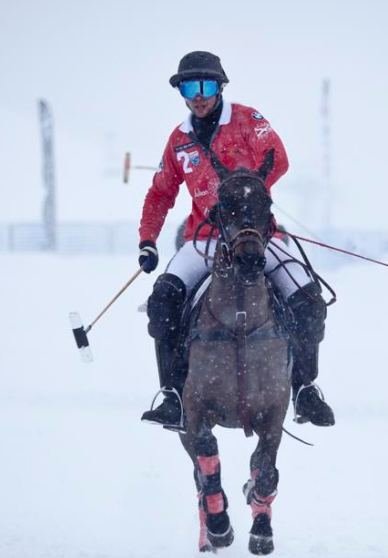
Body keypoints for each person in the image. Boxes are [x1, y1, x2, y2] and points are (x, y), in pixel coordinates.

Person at [137, 50, 335, 429]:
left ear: (220, 86)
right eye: (188, 87)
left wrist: (239, 191)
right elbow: (160, 193)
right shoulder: (179, 140)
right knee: (162, 301)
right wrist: (148, 239)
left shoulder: (247, 119)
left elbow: (278, 159)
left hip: (255, 237)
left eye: (206, 85)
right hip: (204, 240)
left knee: (309, 301)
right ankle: (173, 396)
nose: (198, 95)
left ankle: (305, 389)